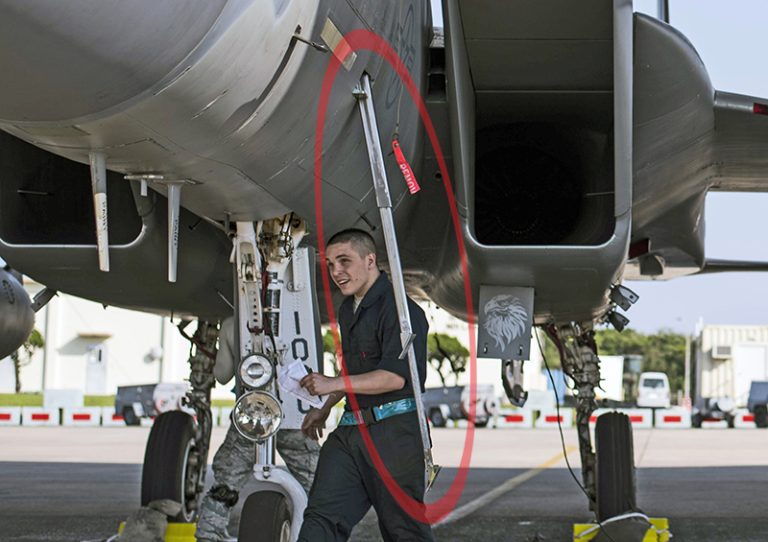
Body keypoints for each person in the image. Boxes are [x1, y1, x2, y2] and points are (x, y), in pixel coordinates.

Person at [297, 228, 435, 541]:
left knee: (404, 530)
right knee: (321, 517)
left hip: (394, 437)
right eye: (331, 264)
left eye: (344, 261)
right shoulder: (348, 310)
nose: (336, 272)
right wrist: (326, 405)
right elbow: (354, 369)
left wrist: (332, 382)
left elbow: (393, 377)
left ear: (370, 260)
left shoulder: (404, 312)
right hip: (350, 434)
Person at [195, 316, 321, 542]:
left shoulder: (232, 324)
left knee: (226, 481)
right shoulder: (300, 316)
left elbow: (222, 376)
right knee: (315, 482)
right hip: (297, 417)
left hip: (253, 416)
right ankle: (318, 535)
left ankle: (208, 534)